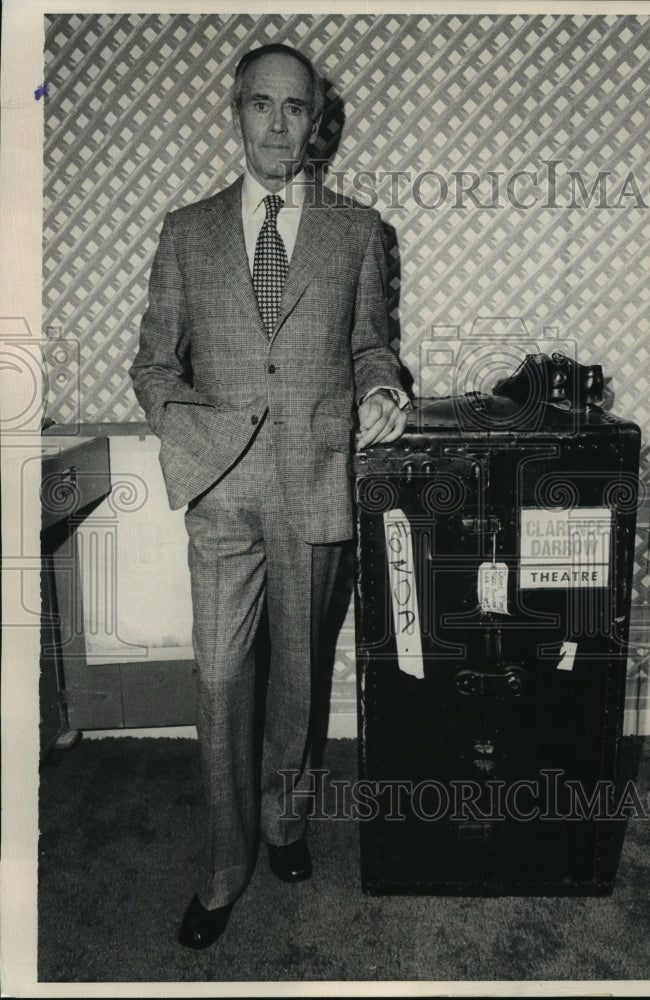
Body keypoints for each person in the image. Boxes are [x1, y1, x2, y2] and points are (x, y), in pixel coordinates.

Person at [129, 42, 408, 949]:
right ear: (237, 112)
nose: (280, 124)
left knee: (298, 678)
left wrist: (380, 390)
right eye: (262, 105)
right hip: (221, 493)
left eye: (297, 108)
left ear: (315, 118)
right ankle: (224, 862)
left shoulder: (357, 230)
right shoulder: (185, 230)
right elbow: (152, 362)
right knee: (218, 678)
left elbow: (371, 345)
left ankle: (286, 821)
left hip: (317, 483)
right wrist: (187, 429)